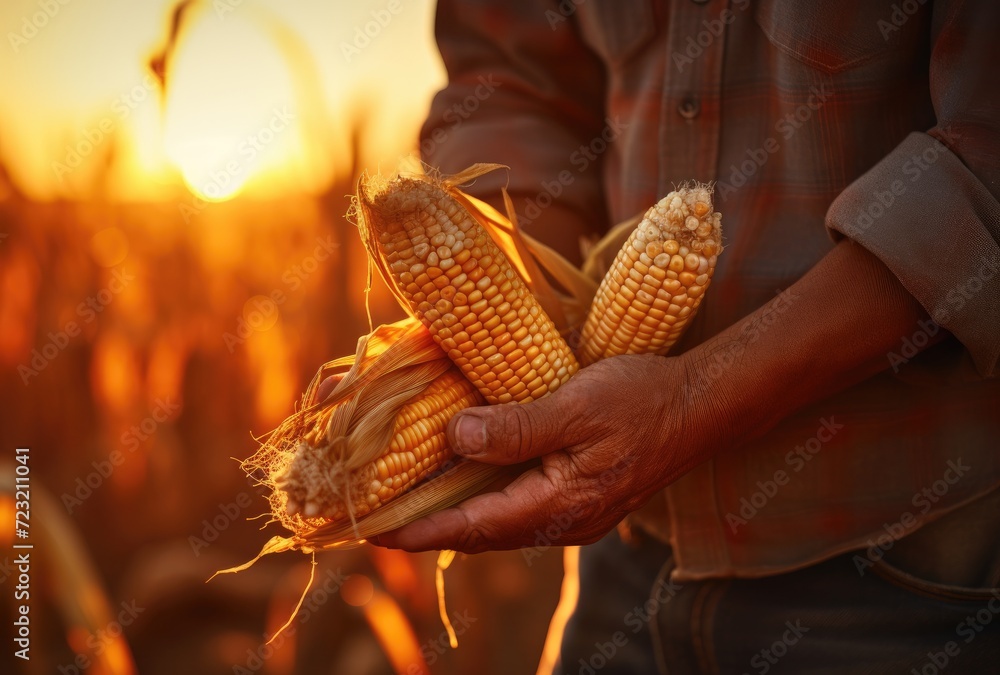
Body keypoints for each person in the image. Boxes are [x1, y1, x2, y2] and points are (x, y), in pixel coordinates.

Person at [374, 1, 1000, 672]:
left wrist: (690, 404)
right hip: (623, 560)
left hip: (902, 568)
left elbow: (983, 162)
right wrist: (505, 297)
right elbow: (515, 81)